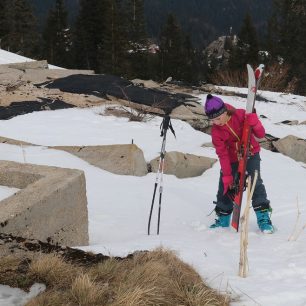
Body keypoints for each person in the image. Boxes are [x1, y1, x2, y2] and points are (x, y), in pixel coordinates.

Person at [204, 94, 274, 233]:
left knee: (255, 183)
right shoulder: (216, 131)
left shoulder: (241, 114)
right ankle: (223, 218)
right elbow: (222, 154)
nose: (216, 123)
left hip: (251, 154)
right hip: (232, 159)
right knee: (225, 186)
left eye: (218, 118)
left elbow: (260, 134)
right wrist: (227, 175)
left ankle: (263, 217)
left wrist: (255, 122)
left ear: (225, 112)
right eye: (213, 120)